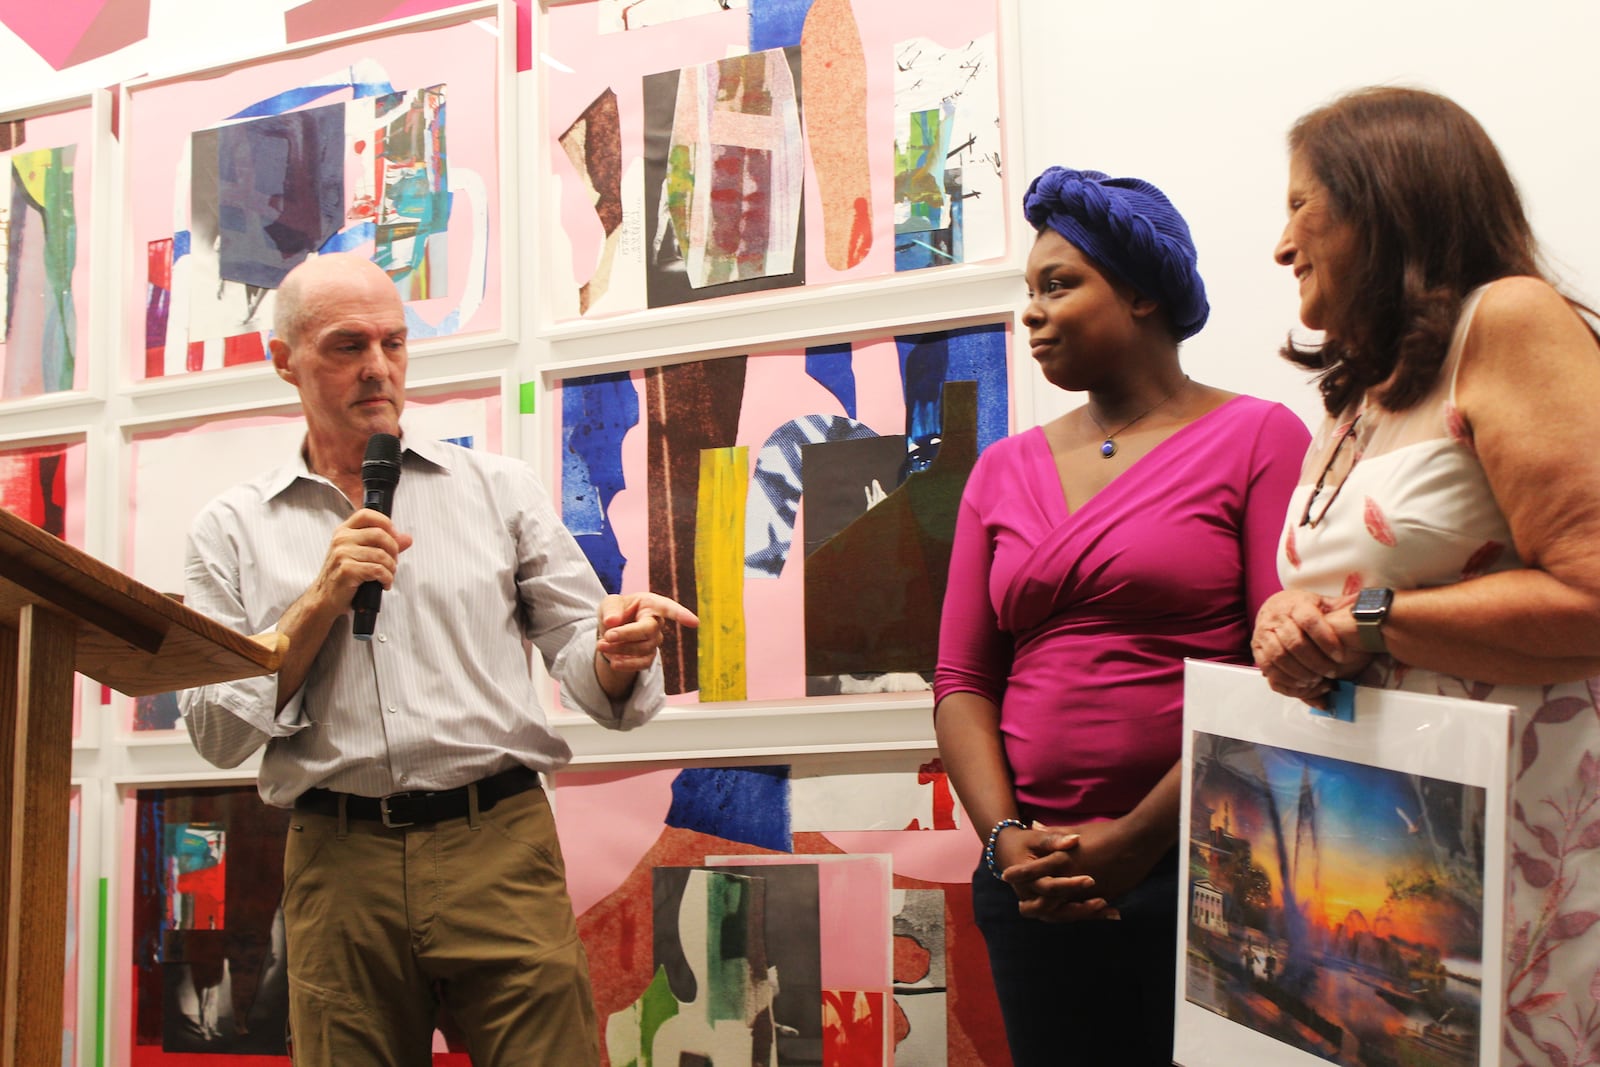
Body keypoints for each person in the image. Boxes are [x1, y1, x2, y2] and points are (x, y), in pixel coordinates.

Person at [178, 252, 696, 1066]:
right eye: (347, 346)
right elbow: (213, 733)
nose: (378, 369)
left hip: (498, 843)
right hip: (337, 862)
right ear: (284, 361)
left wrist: (616, 652)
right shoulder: (231, 528)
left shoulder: (499, 489)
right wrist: (317, 602)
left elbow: (581, 656)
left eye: (393, 342)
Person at [1252, 86, 1600, 1066]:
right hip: (1388, 867)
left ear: (1379, 201)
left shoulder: (1510, 319)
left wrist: (1362, 618)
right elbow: (1345, 592)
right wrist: (1286, 624)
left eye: (1297, 204)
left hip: (1519, 860)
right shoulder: (1366, 389)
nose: (1281, 246)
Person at [933, 166, 1308, 1066]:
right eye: (1029, 290)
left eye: (1059, 284)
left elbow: (1283, 673)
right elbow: (962, 680)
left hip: (1208, 870)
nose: (1031, 311)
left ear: (1142, 291)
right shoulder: (1002, 470)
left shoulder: (1258, 438)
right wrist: (1005, 842)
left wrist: (1138, 842)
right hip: (1034, 883)